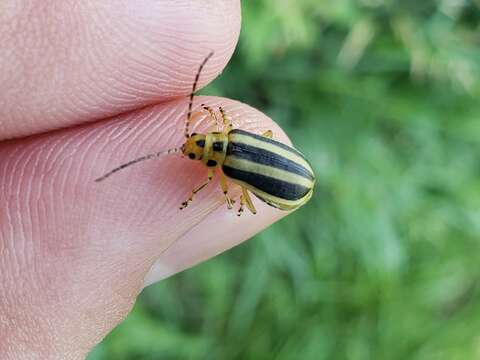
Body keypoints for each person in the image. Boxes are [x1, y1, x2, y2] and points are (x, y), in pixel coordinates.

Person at [0, 1, 290, 358]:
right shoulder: (233, 136)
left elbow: (205, 184)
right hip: (282, 175)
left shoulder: (225, 160)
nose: (193, 147)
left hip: (284, 188)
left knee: (223, 193)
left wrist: (194, 197)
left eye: (196, 148)